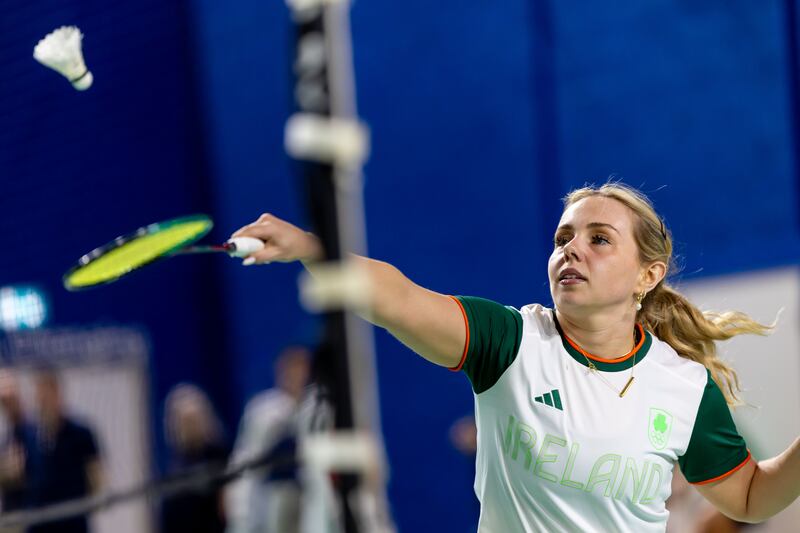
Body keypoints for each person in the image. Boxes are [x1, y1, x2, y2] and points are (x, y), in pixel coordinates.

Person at [231, 183, 800, 532]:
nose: (572, 248)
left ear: (647, 276)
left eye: (599, 239)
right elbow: (397, 297)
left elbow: (750, 495)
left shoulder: (683, 386)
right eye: (562, 239)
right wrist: (312, 247)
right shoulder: (509, 341)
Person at [225, 345, 311, 533]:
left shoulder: (319, 410)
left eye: (302, 370)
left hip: (312, 502)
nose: (297, 376)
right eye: (291, 370)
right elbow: (246, 458)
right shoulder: (263, 412)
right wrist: (238, 513)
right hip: (272, 501)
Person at [29, 368, 102, 533]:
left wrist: (86, 505)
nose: (41, 402)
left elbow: (97, 478)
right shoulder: (34, 437)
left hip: (72, 524)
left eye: (45, 395)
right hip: (40, 525)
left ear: (57, 394)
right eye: (38, 396)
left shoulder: (81, 434)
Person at [161, 384, 228, 533]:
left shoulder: (220, 456)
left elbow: (227, 506)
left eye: (193, 421)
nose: (189, 427)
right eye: (184, 422)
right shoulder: (175, 464)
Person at [0, 368, 36, 518]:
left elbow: (20, 472)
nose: (8, 405)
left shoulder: (35, 433)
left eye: (11, 399)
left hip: (31, 513)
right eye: (4, 401)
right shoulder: (9, 437)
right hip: (12, 513)